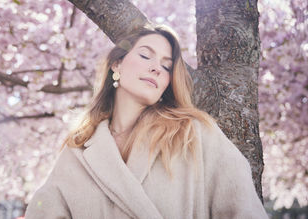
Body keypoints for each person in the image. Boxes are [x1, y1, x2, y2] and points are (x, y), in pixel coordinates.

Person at [25, 24, 268, 219]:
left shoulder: (194, 134)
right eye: (145, 56)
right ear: (117, 64)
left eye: (166, 66)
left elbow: (243, 209)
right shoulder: (78, 149)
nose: (156, 69)